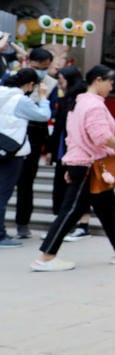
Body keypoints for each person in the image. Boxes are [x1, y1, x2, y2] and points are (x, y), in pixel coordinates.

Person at [33, 64, 115, 271]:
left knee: (109, 208)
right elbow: (101, 136)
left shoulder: (79, 101)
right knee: (72, 211)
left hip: (89, 164)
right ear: (98, 80)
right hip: (88, 165)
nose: (112, 87)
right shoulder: (93, 105)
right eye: (110, 82)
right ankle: (46, 257)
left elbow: (72, 136)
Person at [0, 69, 51, 247]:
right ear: (30, 85)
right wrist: (44, 98)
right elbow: (43, 116)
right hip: (11, 150)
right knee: (3, 192)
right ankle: (0, 235)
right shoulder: (20, 99)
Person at [11, 47, 58, 240]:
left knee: (26, 181)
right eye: (39, 67)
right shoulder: (14, 78)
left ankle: (23, 223)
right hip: (11, 133)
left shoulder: (52, 84)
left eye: (46, 68)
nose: (42, 71)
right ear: (30, 63)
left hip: (35, 134)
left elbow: (51, 114)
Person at [49, 67, 93, 240]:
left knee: (76, 190)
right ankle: (64, 225)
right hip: (64, 146)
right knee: (63, 187)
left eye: (61, 79)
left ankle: (80, 225)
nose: (60, 82)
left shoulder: (79, 99)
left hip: (76, 149)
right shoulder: (66, 97)